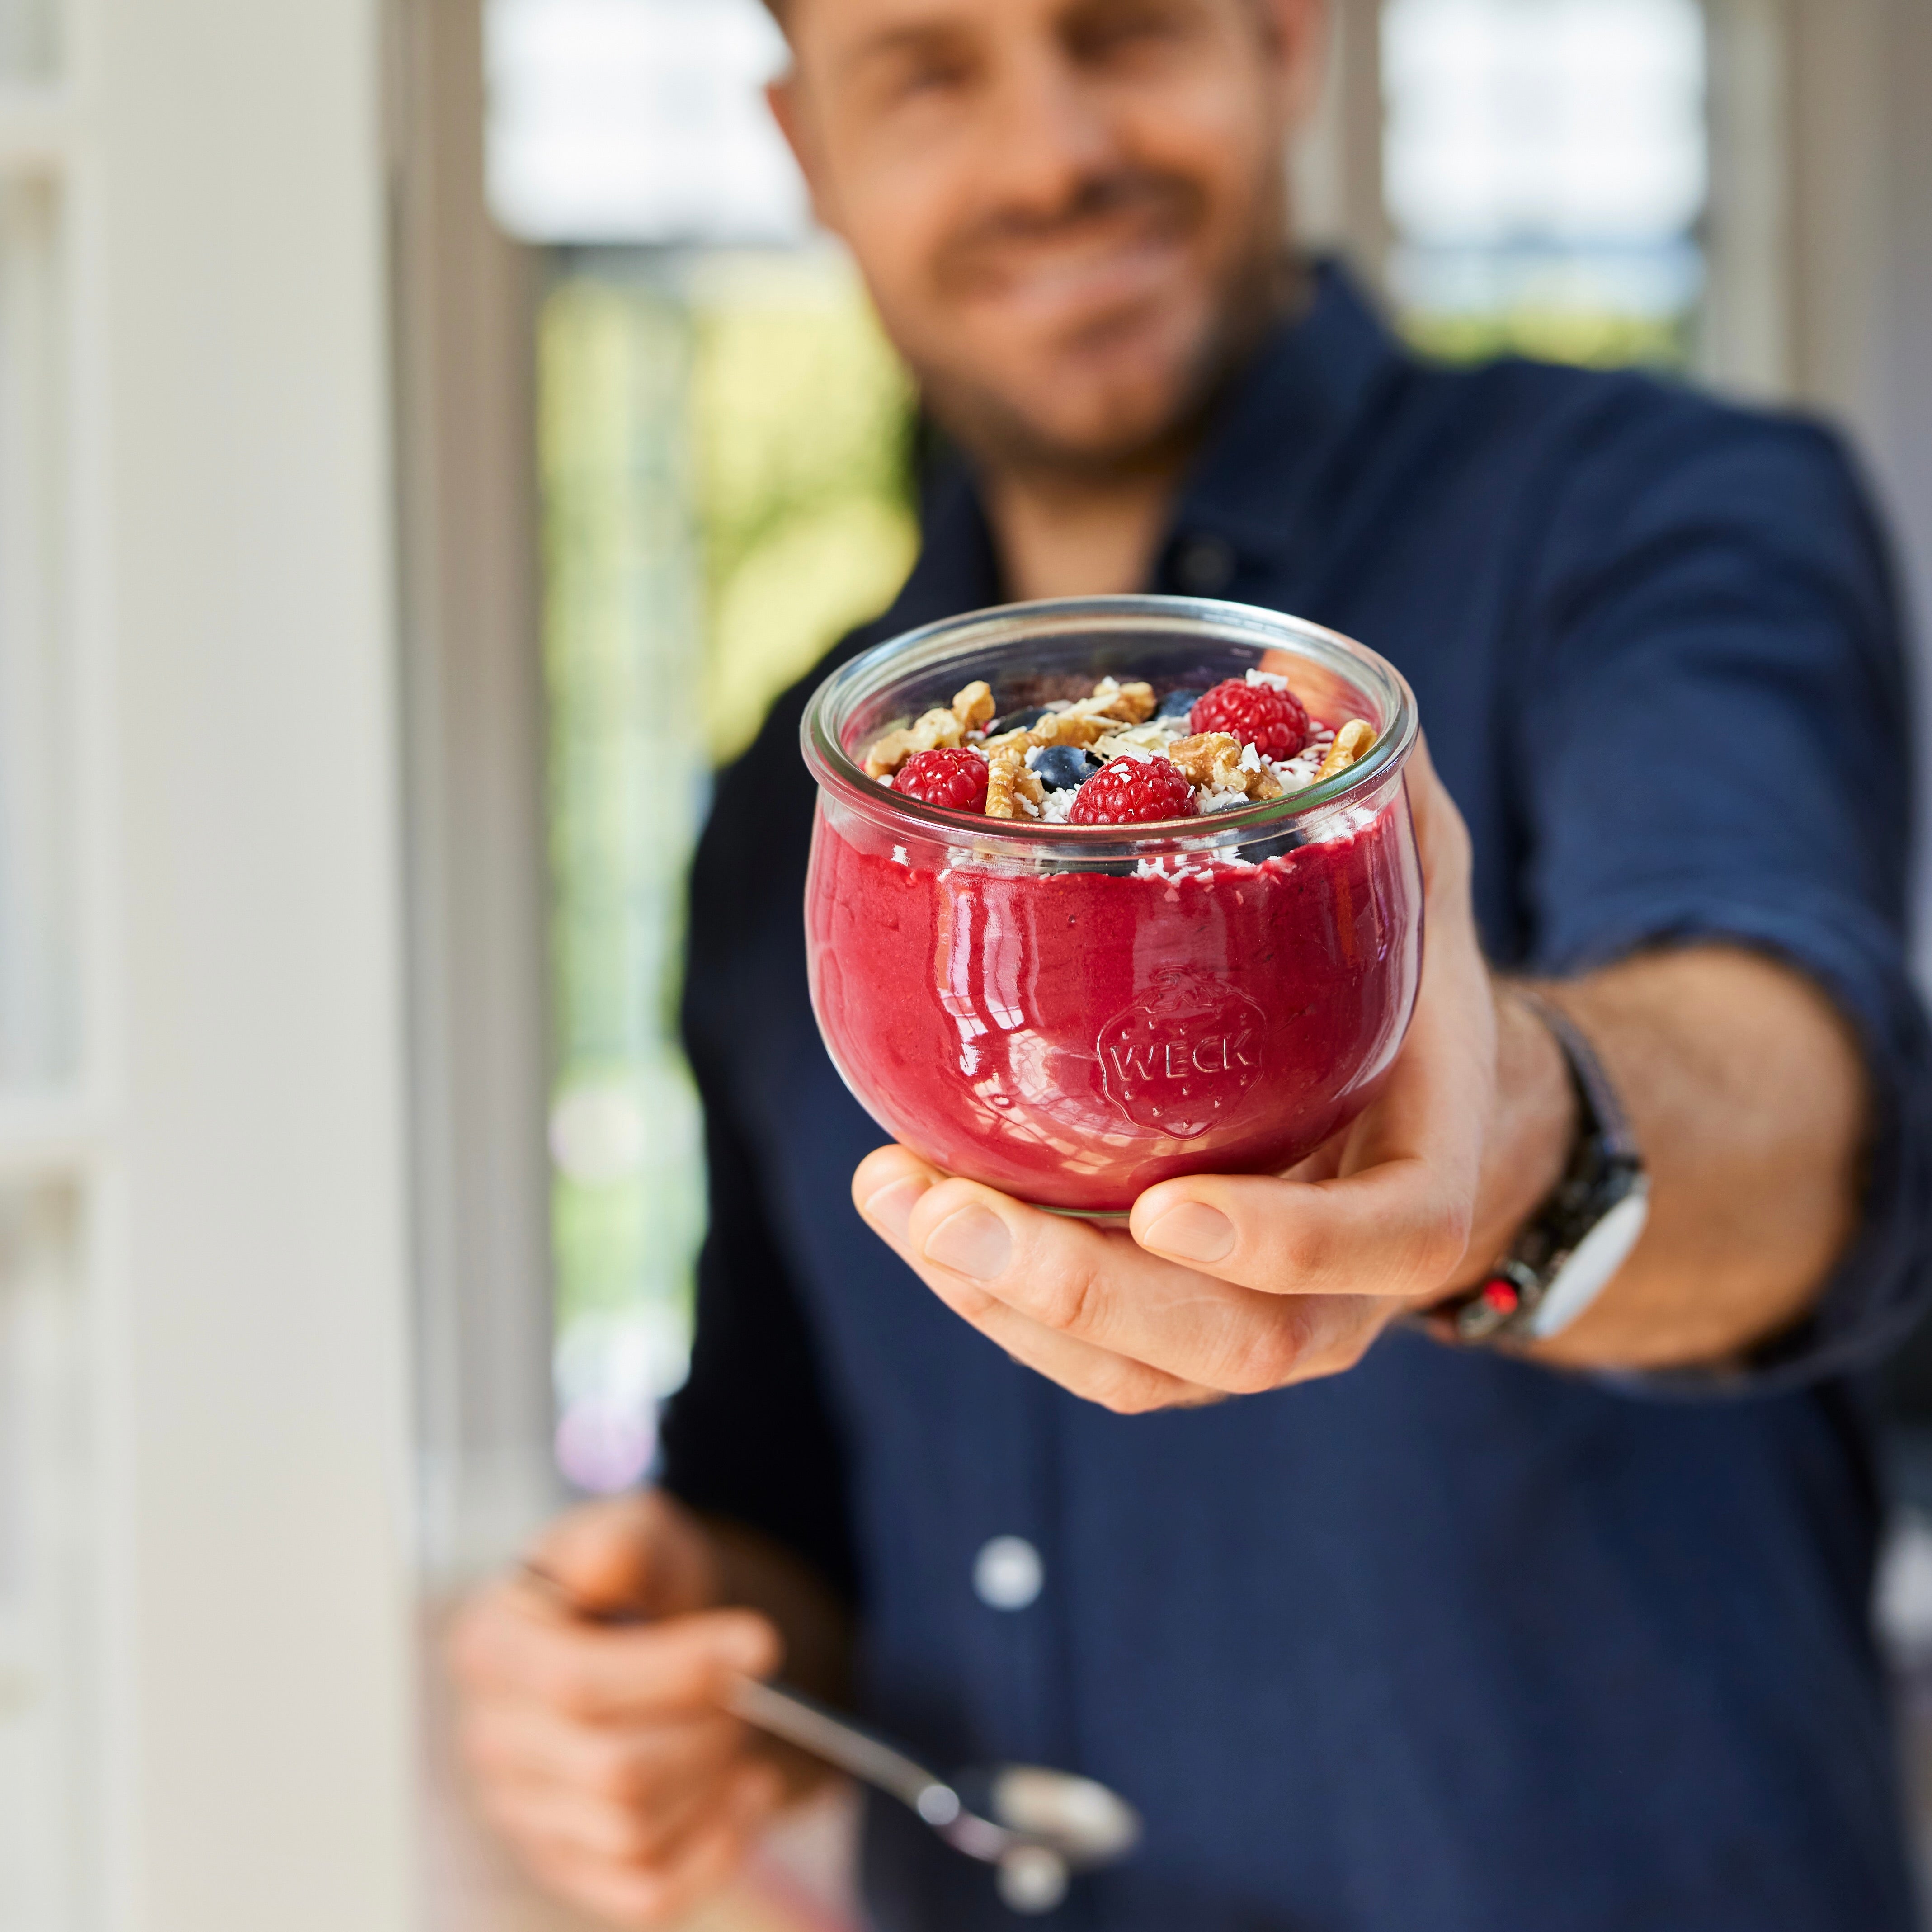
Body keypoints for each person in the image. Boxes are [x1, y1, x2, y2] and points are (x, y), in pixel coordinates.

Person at [449, 0, 1932, 1925]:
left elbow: (1814, 1106)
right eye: (928, 69)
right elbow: (789, 1492)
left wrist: (1513, 1144)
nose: (1052, 152)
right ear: (808, 147)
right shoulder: (793, 811)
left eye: (1123, 27)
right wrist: (655, 1655)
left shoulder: (1651, 515)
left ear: (1283, 38)